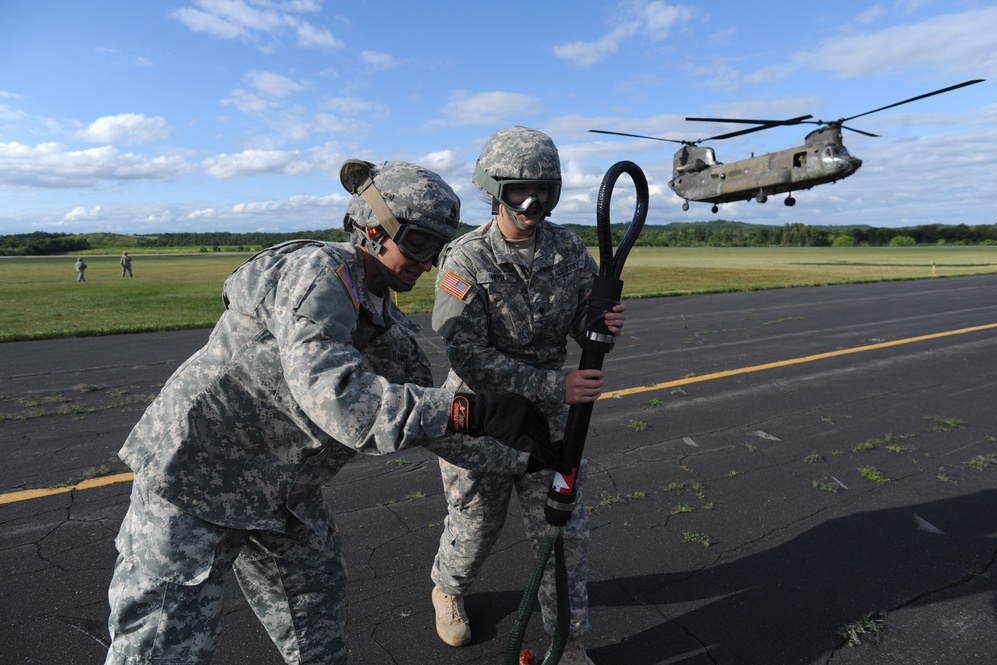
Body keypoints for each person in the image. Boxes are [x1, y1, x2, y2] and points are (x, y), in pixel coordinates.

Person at [103, 159, 558, 665]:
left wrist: (527, 458)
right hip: (193, 481)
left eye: (438, 250)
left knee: (316, 623)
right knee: (161, 647)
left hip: (282, 495)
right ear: (371, 228)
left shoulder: (388, 325)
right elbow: (344, 403)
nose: (428, 264)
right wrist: (470, 409)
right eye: (418, 244)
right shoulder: (318, 272)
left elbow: (433, 428)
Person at [429, 127, 625, 665]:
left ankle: (568, 643)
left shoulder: (567, 249)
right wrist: (551, 384)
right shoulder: (464, 260)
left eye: (544, 191)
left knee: (564, 533)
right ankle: (447, 589)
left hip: (554, 418)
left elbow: (585, 318)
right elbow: (466, 357)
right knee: (474, 524)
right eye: (519, 191)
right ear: (493, 191)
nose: (533, 203)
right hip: (482, 415)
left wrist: (600, 322)